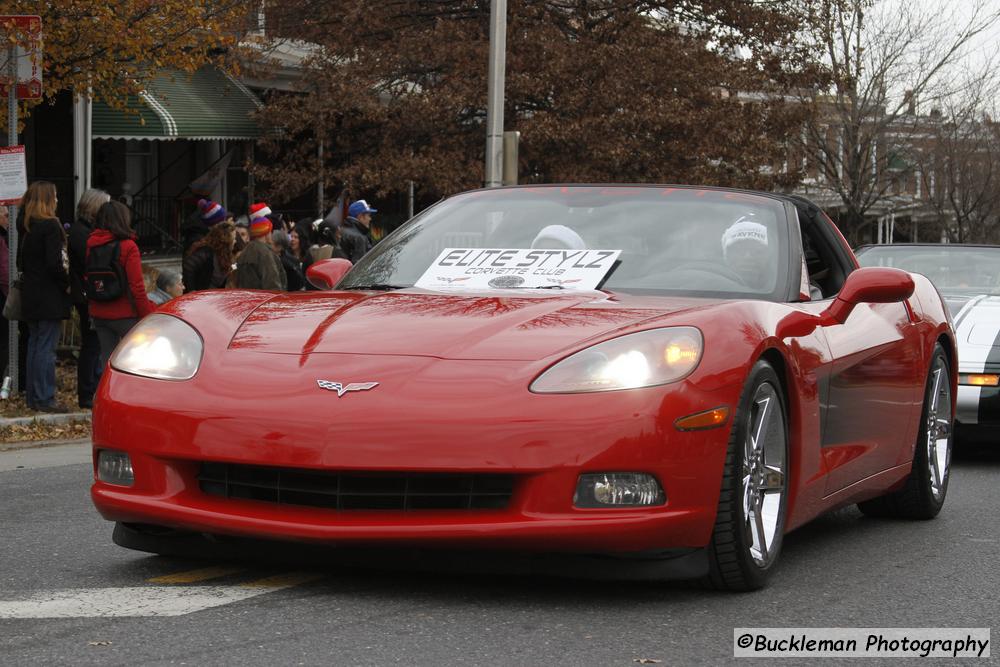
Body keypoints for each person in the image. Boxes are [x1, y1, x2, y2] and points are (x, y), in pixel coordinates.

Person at [19, 181, 72, 413]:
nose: (58, 200)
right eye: (56, 196)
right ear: (48, 200)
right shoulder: (50, 225)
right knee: (46, 348)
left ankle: (34, 396)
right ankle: (45, 397)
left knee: (34, 344)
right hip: (49, 294)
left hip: (31, 293)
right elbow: (55, 263)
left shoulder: (26, 226)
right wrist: (66, 283)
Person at [86, 201, 157, 370]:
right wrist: (147, 314)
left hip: (99, 312)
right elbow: (136, 286)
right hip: (125, 313)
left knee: (108, 361)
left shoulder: (91, 244)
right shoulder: (128, 246)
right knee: (137, 361)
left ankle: (106, 394)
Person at [67, 188, 110, 408]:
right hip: (86, 294)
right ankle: (86, 391)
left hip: (86, 292)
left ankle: (92, 387)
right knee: (92, 343)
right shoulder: (81, 233)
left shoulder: (85, 230)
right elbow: (89, 261)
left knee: (95, 343)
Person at [233, 211, 286, 290]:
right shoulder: (265, 253)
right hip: (264, 299)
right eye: (270, 232)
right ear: (266, 233)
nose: (271, 235)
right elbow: (272, 284)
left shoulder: (244, 252)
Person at [183, 222, 236, 292]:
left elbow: (234, 268)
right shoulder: (206, 252)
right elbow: (189, 266)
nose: (235, 241)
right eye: (233, 238)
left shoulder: (228, 255)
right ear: (225, 240)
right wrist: (191, 290)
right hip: (201, 296)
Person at [721, 215, 771, 290]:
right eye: (739, 250)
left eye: (757, 251)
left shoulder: (782, 290)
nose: (748, 257)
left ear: (768, 256)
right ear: (726, 255)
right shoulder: (711, 287)